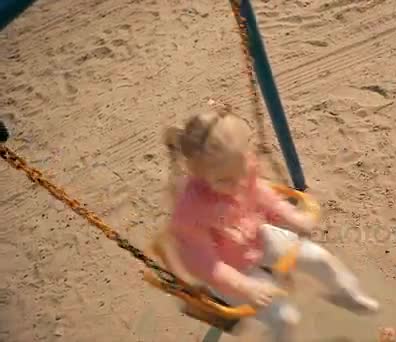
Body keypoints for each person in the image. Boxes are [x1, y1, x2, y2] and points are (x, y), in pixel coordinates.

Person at [155, 107, 379, 341]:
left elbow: (262, 194)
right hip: (229, 269)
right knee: (285, 317)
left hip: (255, 237)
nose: (238, 185)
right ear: (198, 176)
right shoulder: (191, 209)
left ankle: (346, 293)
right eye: (225, 181)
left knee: (319, 258)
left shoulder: (236, 164)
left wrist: (292, 216)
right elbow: (206, 264)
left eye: (241, 173)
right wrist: (245, 286)